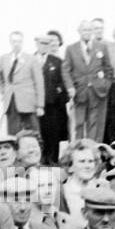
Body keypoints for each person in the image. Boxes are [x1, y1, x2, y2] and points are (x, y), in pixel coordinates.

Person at [0, 31, 44, 135]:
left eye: (19, 41)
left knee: (33, 132)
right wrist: (4, 92)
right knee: (13, 132)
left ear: (22, 42)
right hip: (11, 101)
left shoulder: (31, 59)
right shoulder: (4, 58)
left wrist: (40, 105)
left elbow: (39, 82)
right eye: (14, 41)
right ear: (10, 42)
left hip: (28, 101)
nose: (16, 44)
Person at [36, 32, 70, 163]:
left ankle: (52, 158)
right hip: (37, 104)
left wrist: (58, 93)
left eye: (47, 43)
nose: (44, 46)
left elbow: (63, 81)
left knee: (54, 132)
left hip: (54, 104)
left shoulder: (57, 61)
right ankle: (41, 158)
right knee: (40, 131)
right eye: (42, 43)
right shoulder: (32, 59)